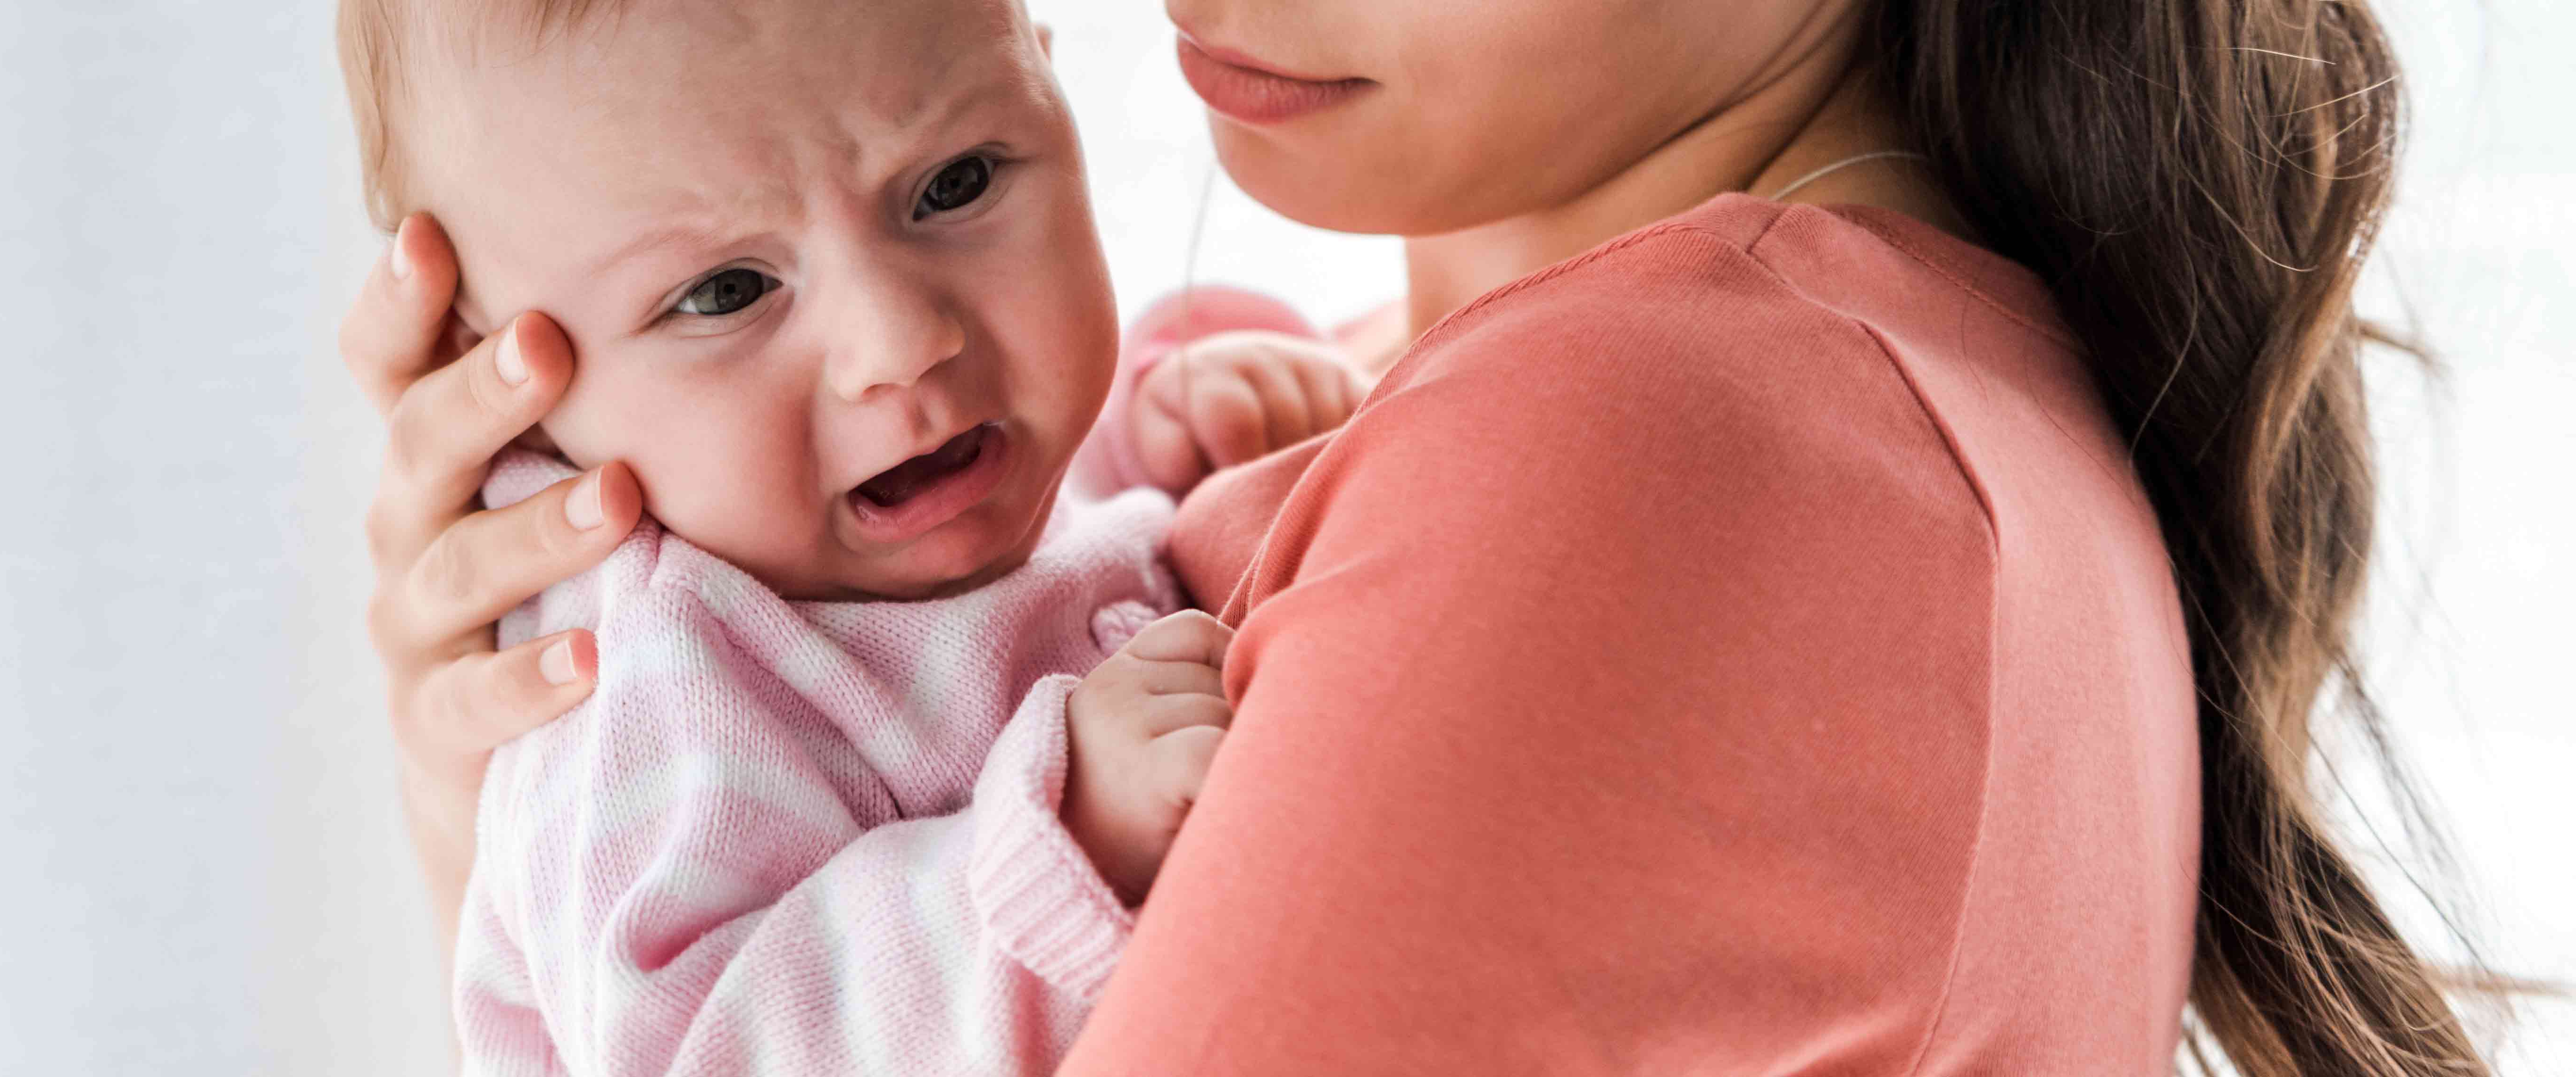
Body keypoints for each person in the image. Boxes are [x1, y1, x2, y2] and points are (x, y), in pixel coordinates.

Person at [339, 0, 2496, 1070]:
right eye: (712, 294)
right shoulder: (1407, 408)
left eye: (948, 189)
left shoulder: (1667, 451)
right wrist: (534, 795)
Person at [332, 0, 1366, 1070]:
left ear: (1049, 93)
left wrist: (1165, 437)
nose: (901, 341)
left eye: (953, 184)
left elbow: (1043, 587)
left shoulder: (886, 506)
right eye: (725, 292)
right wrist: (1059, 835)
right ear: (501, 376)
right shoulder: (650, 683)